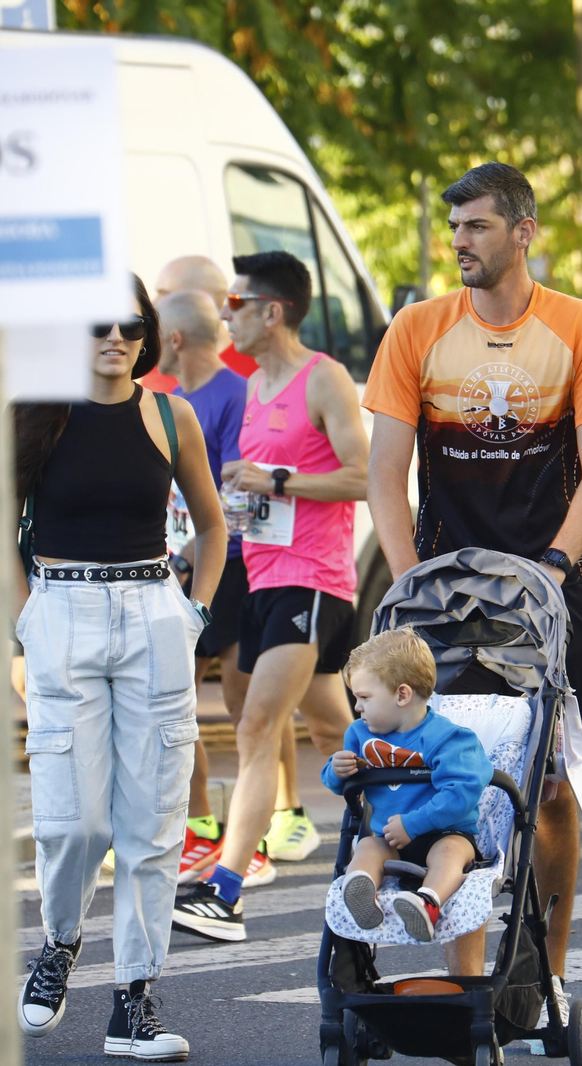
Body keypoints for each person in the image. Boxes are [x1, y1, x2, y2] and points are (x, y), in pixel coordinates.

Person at [364, 162, 582, 1007]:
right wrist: (411, 583)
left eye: (477, 227)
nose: (460, 243)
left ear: (523, 232)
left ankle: (547, 972)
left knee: (549, 790)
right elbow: (385, 474)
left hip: (553, 584)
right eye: (455, 229)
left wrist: (550, 571)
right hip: (447, 591)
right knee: (468, 776)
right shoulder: (416, 328)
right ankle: (469, 982)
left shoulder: (581, 327)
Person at [13, 275, 224, 1062]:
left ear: (149, 334)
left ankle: (133, 1000)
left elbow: (211, 525)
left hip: (151, 610)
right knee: (76, 819)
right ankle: (60, 944)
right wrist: (21, 621)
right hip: (60, 612)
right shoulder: (37, 414)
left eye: (132, 325)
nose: (117, 337)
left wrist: (193, 613)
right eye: (100, 323)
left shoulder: (172, 416)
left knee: (152, 822)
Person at [171, 250, 366, 942]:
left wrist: (279, 482)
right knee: (336, 734)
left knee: (254, 728)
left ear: (271, 311)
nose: (226, 314)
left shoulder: (325, 380)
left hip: (312, 581)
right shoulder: (253, 390)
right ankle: (416, 835)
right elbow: (243, 494)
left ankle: (225, 890)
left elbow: (362, 477)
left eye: (236, 303)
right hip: (262, 581)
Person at [158, 263, 322, 872]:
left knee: (249, 706)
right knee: (178, 697)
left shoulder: (234, 394)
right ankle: (207, 824)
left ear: (174, 339)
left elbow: (233, 492)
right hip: (192, 564)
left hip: (236, 565)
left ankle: (278, 821)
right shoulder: (171, 401)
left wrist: (194, 552)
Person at [327, 628, 493, 944]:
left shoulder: (449, 739)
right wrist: (336, 771)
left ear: (402, 695)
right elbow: (340, 786)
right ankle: (361, 889)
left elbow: (463, 793)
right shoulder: (360, 735)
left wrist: (415, 823)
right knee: (366, 847)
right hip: (390, 837)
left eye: (364, 698)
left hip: (443, 832)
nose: (358, 708)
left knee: (451, 852)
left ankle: (427, 902)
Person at [157, 254, 257, 377]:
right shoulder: (152, 367)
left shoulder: (257, 368)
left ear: (202, 300)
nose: (153, 303)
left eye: (165, 294)